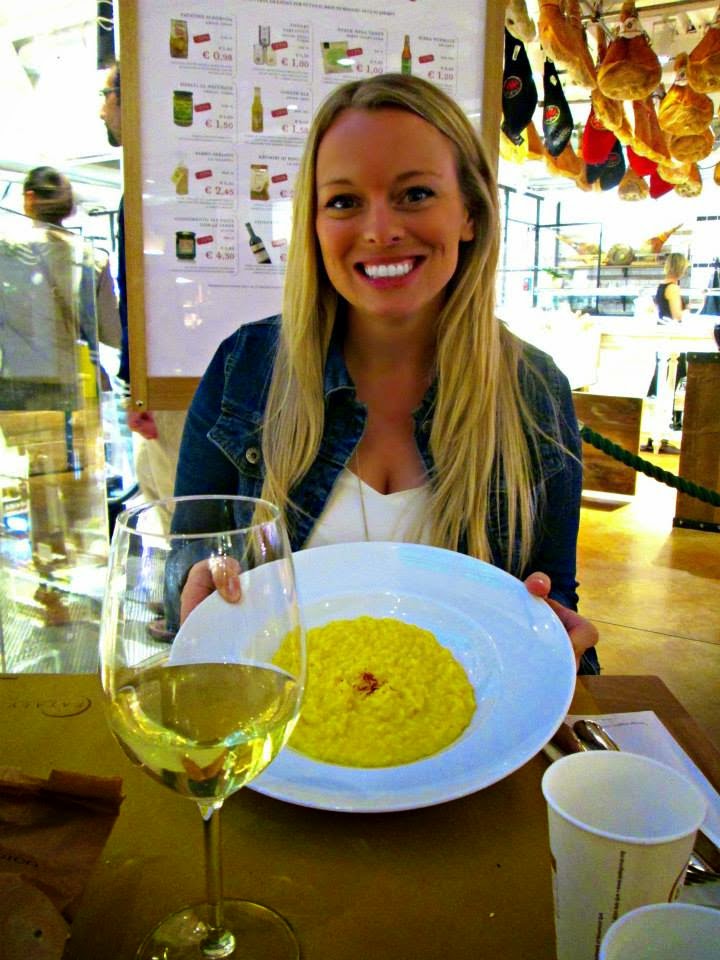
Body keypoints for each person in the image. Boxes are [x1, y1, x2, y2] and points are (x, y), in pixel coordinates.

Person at [174, 73, 599, 673]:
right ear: (314, 224)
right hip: (279, 723)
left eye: (415, 193)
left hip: (465, 724)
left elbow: (555, 602)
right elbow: (183, 572)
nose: (379, 230)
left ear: (470, 213)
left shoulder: (534, 389)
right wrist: (192, 594)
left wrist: (560, 642)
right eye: (344, 202)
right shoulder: (244, 370)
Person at [100, 62, 187, 523]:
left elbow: (148, 294)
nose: (102, 111)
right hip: (177, 380)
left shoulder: (150, 189)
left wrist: (142, 388)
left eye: (107, 96)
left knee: (185, 524)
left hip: (178, 385)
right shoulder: (160, 182)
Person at [22, 165, 122, 386]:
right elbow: (113, 334)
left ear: (30, 198)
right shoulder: (92, 257)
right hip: (80, 382)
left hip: (21, 382)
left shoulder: (8, 252)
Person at [641, 252, 688, 454]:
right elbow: (677, 316)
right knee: (670, 386)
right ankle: (661, 437)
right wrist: (689, 310)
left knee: (660, 385)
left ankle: (655, 437)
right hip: (672, 341)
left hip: (663, 340)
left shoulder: (661, 287)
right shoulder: (673, 288)